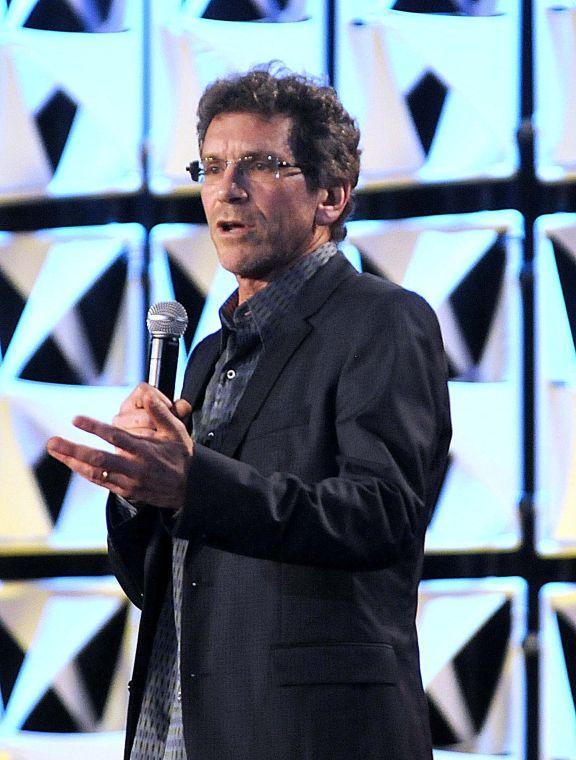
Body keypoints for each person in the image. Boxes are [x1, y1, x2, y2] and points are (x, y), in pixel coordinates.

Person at [47, 66, 451, 760]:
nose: (226, 190)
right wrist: (137, 495)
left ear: (330, 196)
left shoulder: (383, 322)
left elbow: (381, 514)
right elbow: (164, 582)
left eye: (261, 165)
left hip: (307, 737)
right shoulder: (202, 355)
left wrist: (192, 484)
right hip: (181, 729)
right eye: (211, 166)